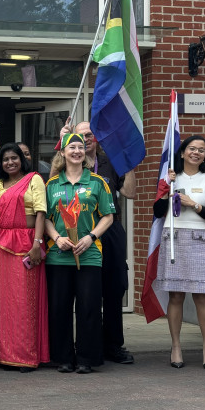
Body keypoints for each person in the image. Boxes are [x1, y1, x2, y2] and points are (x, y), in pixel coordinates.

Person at [58, 119, 137, 364]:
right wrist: (61, 141)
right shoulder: (67, 163)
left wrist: (128, 161)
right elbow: (50, 185)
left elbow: (130, 192)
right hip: (75, 233)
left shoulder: (110, 161)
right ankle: (81, 346)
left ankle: (112, 345)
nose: (87, 138)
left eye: (91, 134)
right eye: (81, 135)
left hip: (109, 231)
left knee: (113, 290)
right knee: (82, 292)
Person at [44, 133, 114, 374]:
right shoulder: (51, 185)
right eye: (71, 147)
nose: (77, 151)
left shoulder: (97, 182)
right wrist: (56, 237)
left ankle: (87, 358)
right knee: (60, 308)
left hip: (90, 254)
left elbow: (108, 216)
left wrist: (90, 237)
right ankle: (63, 357)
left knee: (89, 308)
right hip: (58, 256)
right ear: (62, 153)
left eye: (80, 147)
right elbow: (44, 220)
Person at [152, 135, 205, 370]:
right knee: (176, 296)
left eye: (202, 150)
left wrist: (194, 204)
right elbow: (158, 210)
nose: (196, 153)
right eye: (192, 148)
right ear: (182, 153)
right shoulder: (170, 178)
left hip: (200, 240)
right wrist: (165, 188)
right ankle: (176, 346)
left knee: (202, 296)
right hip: (175, 238)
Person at [0, 142, 49, 372]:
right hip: (1, 245)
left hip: (26, 244)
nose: (10, 162)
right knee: (3, 303)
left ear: (22, 159)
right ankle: (1, 353)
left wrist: (37, 244)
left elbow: (41, 213)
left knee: (24, 302)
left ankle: (24, 355)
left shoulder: (34, 179)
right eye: (5, 159)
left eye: (14, 158)